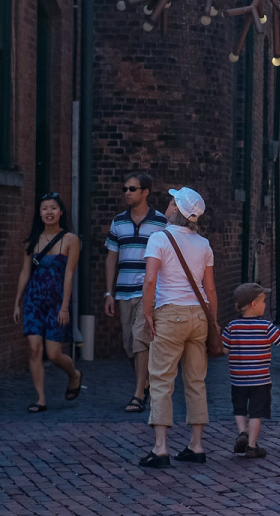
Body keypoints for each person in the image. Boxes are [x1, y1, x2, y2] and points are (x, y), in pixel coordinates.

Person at [139, 187, 217, 469]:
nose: (168, 204)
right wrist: (213, 320)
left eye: (172, 201)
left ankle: (160, 447)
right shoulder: (204, 244)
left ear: (177, 210)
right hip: (199, 315)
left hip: (170, 313)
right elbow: (209, 288)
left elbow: (150, 281)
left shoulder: (159, 238)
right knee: (196, 381)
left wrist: (148, 313)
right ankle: (196, 445)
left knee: (161, 380)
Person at [12, 192, 83, 413]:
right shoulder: (32, 240)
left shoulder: (71, 239)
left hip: (56, 302)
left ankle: (74, 374)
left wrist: (64, 306)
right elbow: (25, 273)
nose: (49, 212)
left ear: (61, 212)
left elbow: (69, 275)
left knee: (53, 354)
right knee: (34, 349)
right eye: (44, 208)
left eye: (53, 208)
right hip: (34, 300)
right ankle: (40, 398)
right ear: (40, 213)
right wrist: (17, 302)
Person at [104, 171, 168, 413]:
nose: (127, 193)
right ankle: (147, 382)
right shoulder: (118, 221)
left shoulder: (161, 222)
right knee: (129, 342)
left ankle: (138, 393)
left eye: (132, 189)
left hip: (148, 290)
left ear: (145, 192)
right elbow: (111, 258)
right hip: (123, 291)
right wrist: (108, 293)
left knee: (141, 339)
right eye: (125, 189)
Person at [221, 283, 280, 458]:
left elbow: (224, 349)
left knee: (240, 408)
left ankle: (242, 432)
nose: (265, 305)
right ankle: (251, 445)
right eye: (263, 301)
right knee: (256, 412)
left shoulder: (232, 326)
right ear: (253, 304)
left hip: (238, 379)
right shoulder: (265, 326)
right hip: (260, 379)